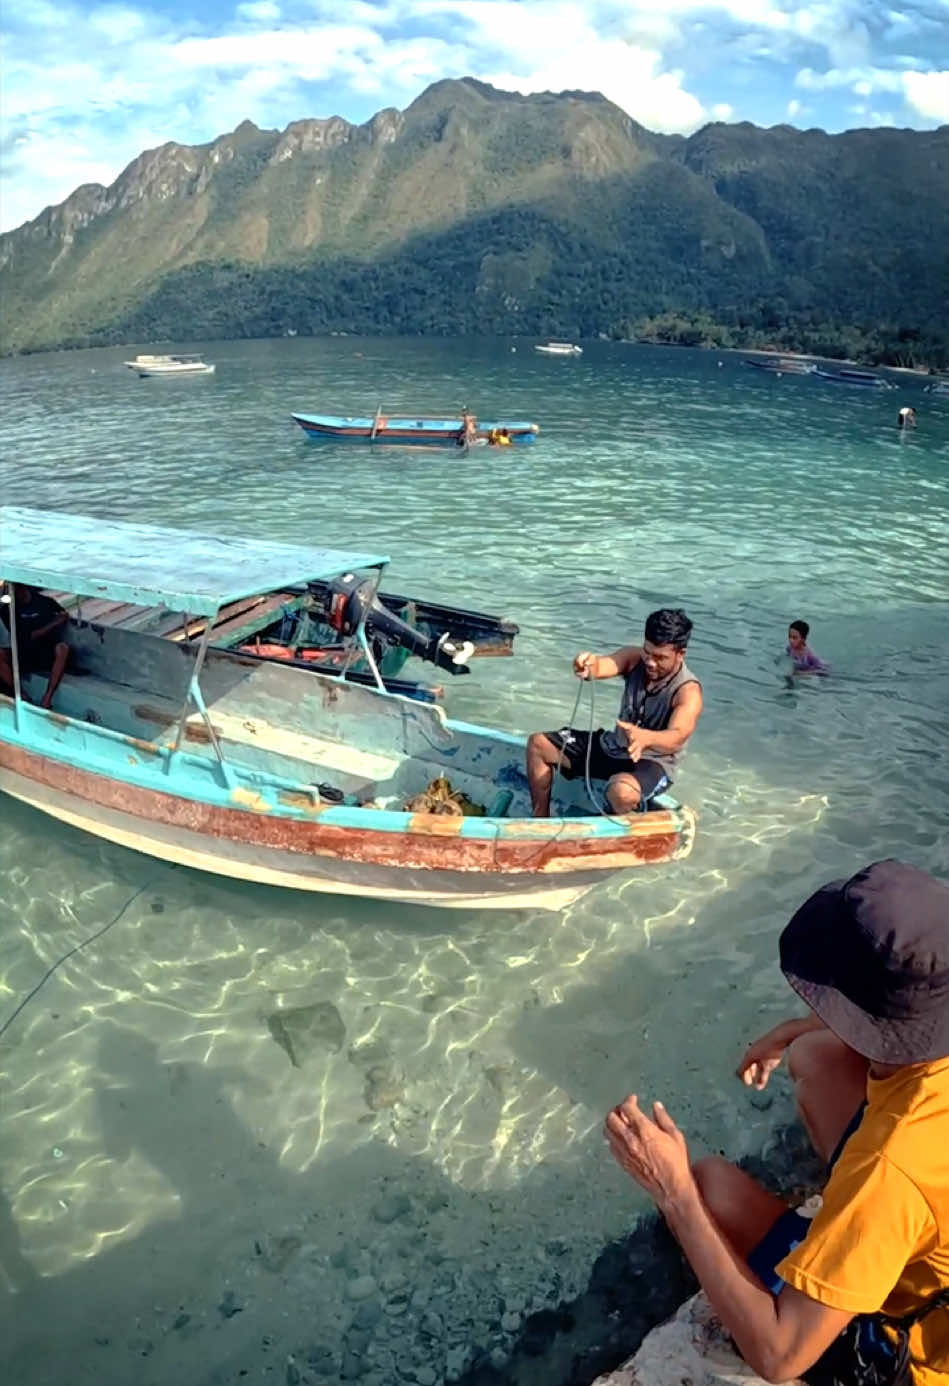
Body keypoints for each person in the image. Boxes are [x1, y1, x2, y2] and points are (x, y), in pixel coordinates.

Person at [604, 859, 949, 1384]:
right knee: (816, 1056)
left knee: (707, 1189)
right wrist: (798, 1028)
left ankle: (845, 1273)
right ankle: (860, 1255)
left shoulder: (889, 1168)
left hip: (910, 1351)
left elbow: (780, 1356)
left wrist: (671, 1190)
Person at [526, 608, 702, 817]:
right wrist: (587, 664)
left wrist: (646, 738)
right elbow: (602, 665)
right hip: (614, 747)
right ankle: (539, 820)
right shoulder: (635, 658)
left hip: (653, 763)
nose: (651, 662)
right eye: (647, 651)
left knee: (622, 793)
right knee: (539, 744)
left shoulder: (688, 691)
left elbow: (677, 736)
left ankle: (618, 824)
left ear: (680, 654)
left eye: (660, 657)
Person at [0, 583, 71, 710]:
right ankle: (20, 693)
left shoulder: (44, 602)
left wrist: (62, 616)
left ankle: (47, 698)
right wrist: (54, 623)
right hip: (23, 652)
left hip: (44, 651)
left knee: (62, 648)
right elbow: (29, 636)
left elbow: (62, 613)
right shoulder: (9, 609)